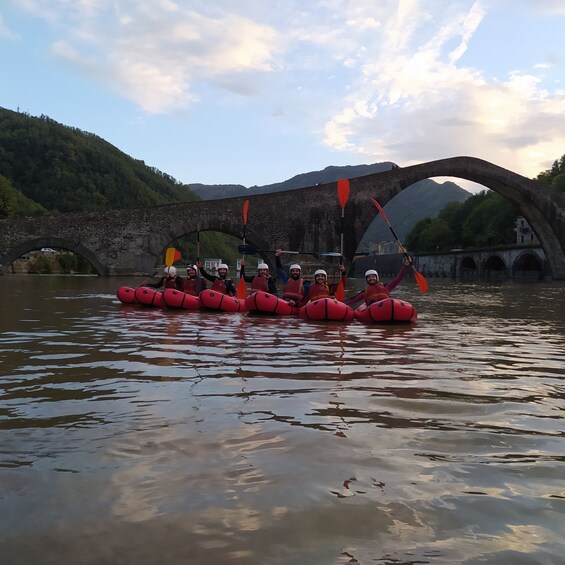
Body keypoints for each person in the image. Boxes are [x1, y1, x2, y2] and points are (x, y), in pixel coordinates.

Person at [346, 256, 413, 307]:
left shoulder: (387, 287)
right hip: (373, 310)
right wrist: (338, 303)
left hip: (387, 307)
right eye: (368, 277)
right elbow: (352, 300)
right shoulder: (364, 293)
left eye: (373, 277)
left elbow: (398, 278)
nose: (371, 279)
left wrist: (406, 266)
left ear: (377, 278)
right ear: (366, 280)